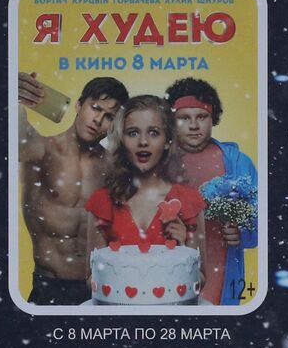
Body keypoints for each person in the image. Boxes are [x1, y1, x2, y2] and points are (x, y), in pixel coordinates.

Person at [17, 73, 129, 304]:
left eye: (109, 116)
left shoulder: (113, 166)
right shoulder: (42, 150)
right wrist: (11, 93)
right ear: (79, 105)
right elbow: (12, 133)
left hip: (101, 287)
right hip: (50, 287)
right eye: (95, 108)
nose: (98, 119)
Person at [84, 95, 206, 296]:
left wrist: (183, 248)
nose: (143, 141)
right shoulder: (102, 202)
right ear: (122, 141)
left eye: (153, 132)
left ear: (167, 141)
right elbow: (91, 279)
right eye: (132, 133)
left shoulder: (189, 201)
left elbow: (200, 281)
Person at [165, 78, 259, 305]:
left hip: (222, 266)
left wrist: (243, 233)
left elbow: (262, 216)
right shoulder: (158, 159)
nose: (194, 125)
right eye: (184, 118)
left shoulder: (238, 163)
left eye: (202, 117)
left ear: (213, 117)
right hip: (167, 266)